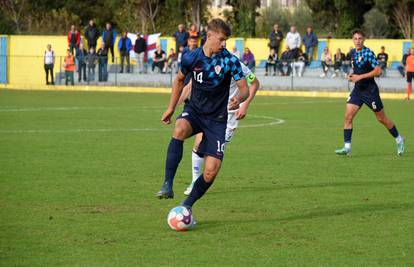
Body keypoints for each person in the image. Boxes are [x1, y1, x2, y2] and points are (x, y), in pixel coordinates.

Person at [156, 18, 249, 214]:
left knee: (211, 171)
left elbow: (245, 89)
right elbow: (179, 80)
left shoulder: (229, 60)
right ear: (209, 36)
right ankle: (167, 184)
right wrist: (171, 108)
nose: (224, 44)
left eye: (226, 40)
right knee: (179, 128)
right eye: (221, 39)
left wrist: (239, 99)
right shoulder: (192, 57)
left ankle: (186, 204)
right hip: (195, 112)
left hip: (217, 120)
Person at [180, 61, 260, 195]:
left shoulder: (237, 65)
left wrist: (244, 105)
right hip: (211, 114)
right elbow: (192, 85)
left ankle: (202, 183)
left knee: (211, 155)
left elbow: (255, 83)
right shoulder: (207, 63)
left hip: (229, 119)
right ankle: (195, 182)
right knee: (199, 145)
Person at [335, 29, 405, 156]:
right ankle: (347, 147)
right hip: (358, 90)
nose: (357, 41)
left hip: (370, 91)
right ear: (352, 40)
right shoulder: (353, 53)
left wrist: (359, 77)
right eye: (355, 39)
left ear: (364, 40)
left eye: (360, 39)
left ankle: (399, 139)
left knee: (381, 118)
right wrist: (353, 76)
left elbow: (378, 71)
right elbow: (358, 71)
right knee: (348, 116)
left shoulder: (368, 53)